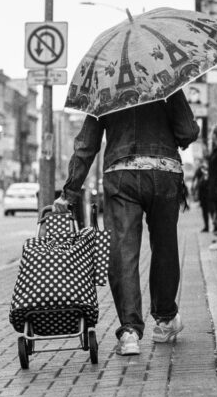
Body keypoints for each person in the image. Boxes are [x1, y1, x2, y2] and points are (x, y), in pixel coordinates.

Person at [54, 89, 199, 356]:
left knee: (123, 250)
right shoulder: (166, 81)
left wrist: (69, 193)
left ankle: (130, 332)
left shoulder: (106, 87)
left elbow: (86, 145)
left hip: (121, 173)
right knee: (165, 247)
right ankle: (166, 319)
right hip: (164, 172)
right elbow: (187, 131)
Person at [191, 160, 211, 232]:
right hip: (203, 193)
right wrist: (194, 189)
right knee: (205, 211)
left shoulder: (209, 168)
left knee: (212, 211)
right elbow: (195, 179)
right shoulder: (199, 170)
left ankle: (216, 227)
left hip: (209, 192)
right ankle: (206, 226)